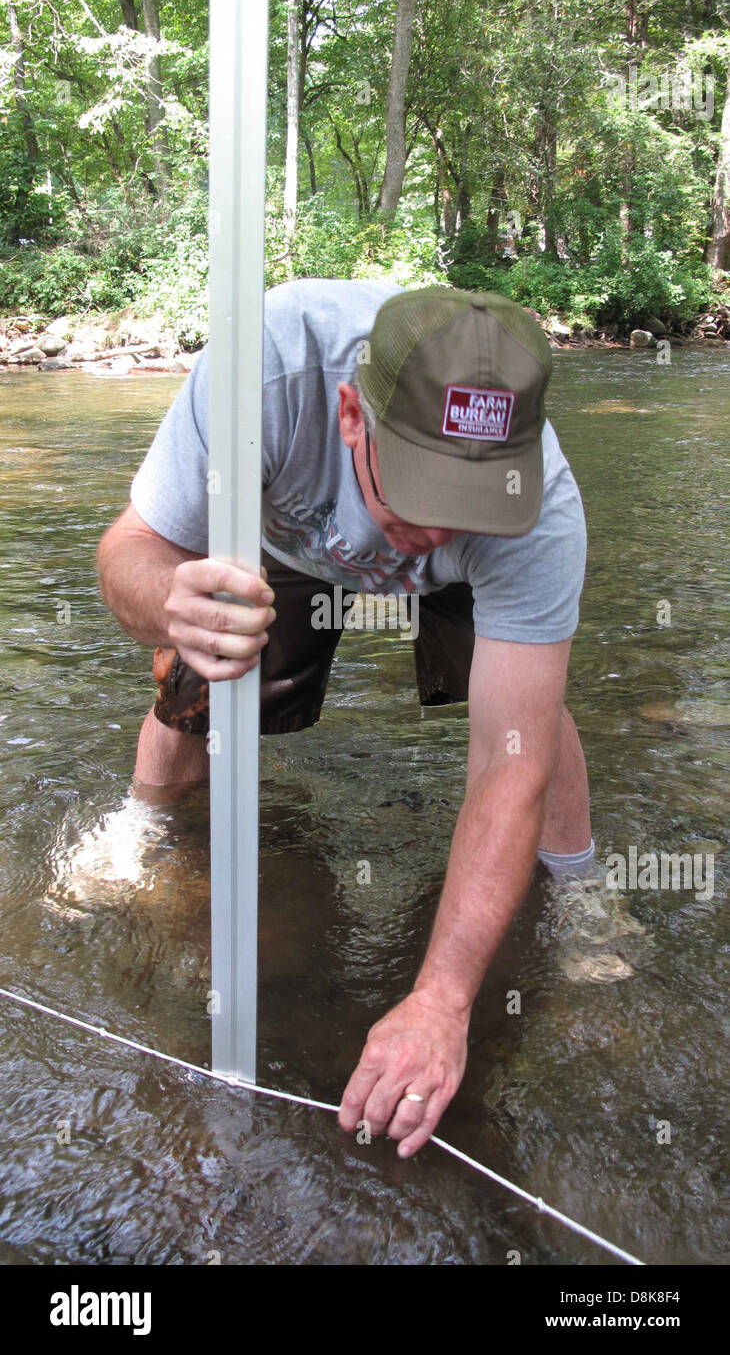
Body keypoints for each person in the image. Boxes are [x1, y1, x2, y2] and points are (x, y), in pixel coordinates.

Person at [97, 278, 596, 1159]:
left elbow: (507, 765)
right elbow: (130, 550)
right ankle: (141, 822)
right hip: (281, 535)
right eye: (420, 492)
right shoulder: (262, 374)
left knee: (528, 714)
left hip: (475, 578)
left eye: (467, 502)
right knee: (200, 664)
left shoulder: (538, 510)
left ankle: (581, 883)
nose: (436, 529)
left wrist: (442, 999)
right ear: (351, 417)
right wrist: (173, 603)